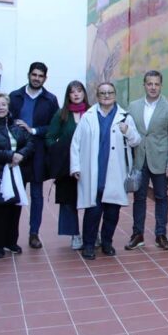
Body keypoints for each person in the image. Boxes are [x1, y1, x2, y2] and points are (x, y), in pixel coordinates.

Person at [70, 83, 141, 259]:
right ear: (97, 96)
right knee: (92, 213)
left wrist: (128, 131)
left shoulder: (125, 117)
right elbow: (76, 143)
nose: (106, 95)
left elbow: (136, 141)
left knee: (112, 212)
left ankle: (107, 243)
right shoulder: (88, 116)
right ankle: (89, 244)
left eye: (110, 92)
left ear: (115, 95)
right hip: (94, 172)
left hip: (116, 173)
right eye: (102, 93)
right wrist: (75, 167)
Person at [125, 70, 168, 250]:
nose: (153, 87)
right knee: (139, 198)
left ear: (161, 85)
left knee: (161, 197)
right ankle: (137, 234)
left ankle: (160, 234)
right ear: (144, 85)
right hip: (139, 160)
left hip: (161, 161)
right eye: (150, 84)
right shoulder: (133, 106)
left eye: (156, 84)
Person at [8, 62, 60, 248]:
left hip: (38, 152)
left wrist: (34, 129)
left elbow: (55, 126)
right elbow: (3, 118)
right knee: (14, 193)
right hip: (17, 153)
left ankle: (34, 234)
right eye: (34, 74)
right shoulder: (14, 96)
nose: (37, 78)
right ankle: (10, 236)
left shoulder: (50, 99)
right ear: (28, 75)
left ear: (45, 78)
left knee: (36, 195)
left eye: (41, 76)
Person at [0, 92, 33, 258]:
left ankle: (11, 242)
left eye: (3, 104)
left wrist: (21, 155)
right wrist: (11, 155)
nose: (1, 107)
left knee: (14, 208)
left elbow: (30, 142)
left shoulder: (17, 125)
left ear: (8, 106)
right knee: (0, 210)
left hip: (17, 173)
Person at [46, 81, 90, 250]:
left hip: (88, 164)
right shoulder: (61, 114)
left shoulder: (92, 112)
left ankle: (91, 232)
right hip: (67, 166)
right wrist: (62, 146)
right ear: (68, 95)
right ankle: (75, 234)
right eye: (72, 92)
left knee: (91, 200)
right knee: (69, 201)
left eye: (79, 91)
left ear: (84, 93)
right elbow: (49, 138)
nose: (76, 94)